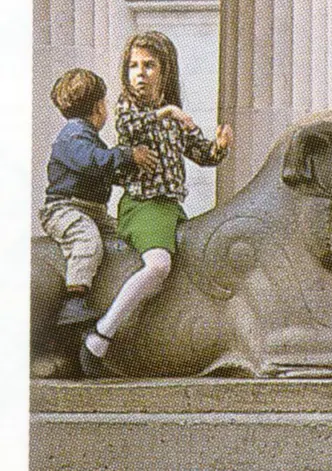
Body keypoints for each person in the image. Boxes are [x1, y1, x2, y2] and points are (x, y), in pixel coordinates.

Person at [79, 31, 234, 377]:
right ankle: (101, 335)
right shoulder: (128, 108)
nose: (140, 73)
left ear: (165, 72)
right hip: (143, 205)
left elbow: (201, 153)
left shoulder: (174, 117)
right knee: (158, 266)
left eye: (149, 65)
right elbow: (128, 125)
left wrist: (219, 146)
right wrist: (168, 113)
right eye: (134, 65)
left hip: (171, 208)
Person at [40, 68, 156, 327]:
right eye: (104, 102)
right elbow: (93, 163)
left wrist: (128, 175)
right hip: (65, 208)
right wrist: (127, 155)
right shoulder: (73, 136)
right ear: (97, 108)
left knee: (124, 232)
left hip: (92, 210)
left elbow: (103, 170)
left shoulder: (88, 138)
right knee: (86, 240)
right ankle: (75, 300)